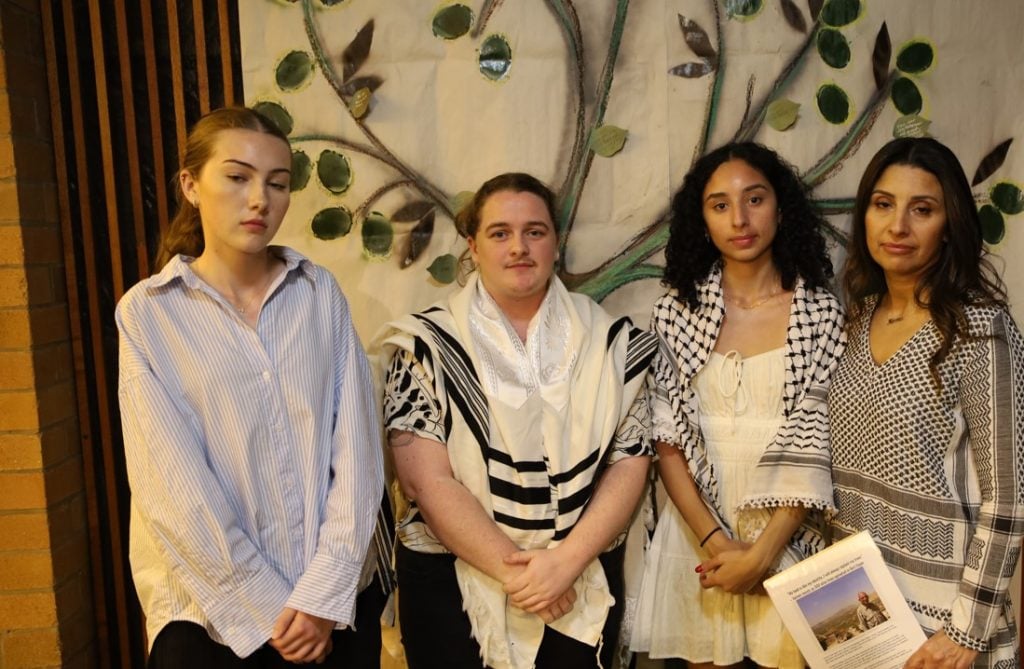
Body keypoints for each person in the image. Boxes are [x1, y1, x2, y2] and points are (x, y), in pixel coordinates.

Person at [115, 107, 388, 667]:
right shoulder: (149, 314)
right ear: (191, 185)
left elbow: (358, 453)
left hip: (332, 609)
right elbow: (171, 485)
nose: (260, 199)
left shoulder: (319, 294)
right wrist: (269, 608)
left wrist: (320, 596)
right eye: (237, 177)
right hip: (211, 621)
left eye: (278, 183)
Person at [378, 172, 657, 669]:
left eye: (535, 231)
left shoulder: (612, 343)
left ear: (555, 242)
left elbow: (630, 460)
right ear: (473, 246)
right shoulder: (427, 346)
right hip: (451, 585)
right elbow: (427, 481)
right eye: (500, 233)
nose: (519, 247)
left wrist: (565, 563)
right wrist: (524, 578)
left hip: (578, 577)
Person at [630, 142, 845, 668]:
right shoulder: (675, 313)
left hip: (793, 541)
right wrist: (715, 543)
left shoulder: (821, 313)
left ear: (780, 208)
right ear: (701, 220)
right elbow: (667, 443)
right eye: (720, 205)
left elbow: (816, 443)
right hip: (699, 541)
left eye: (755, 199)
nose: (740, 219)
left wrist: (764, 553)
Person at [828, 137, 1024, 668]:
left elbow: (1008, 499)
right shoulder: (852, 321)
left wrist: (966, 631)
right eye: (883, 204)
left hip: (943, 626)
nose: (898, 227)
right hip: (859, 616)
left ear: (950, 223)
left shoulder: (981, 329)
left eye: (923, 209)